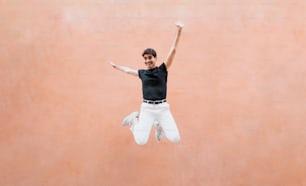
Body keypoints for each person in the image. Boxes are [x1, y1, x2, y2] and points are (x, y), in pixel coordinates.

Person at [109, 21, 183, 145]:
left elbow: (173, 50)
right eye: (146, 58)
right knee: (141, 141)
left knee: (175, 138)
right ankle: (134, 121)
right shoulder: (142, 73)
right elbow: (128, 71)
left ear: (155, 58)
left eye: (150, 57)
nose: (148, 60)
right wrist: (116, 67)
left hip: (162, 108)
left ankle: (159, 126)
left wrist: (179, 31)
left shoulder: (162, 70)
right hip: (147, 109)